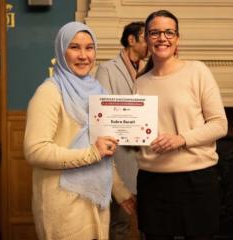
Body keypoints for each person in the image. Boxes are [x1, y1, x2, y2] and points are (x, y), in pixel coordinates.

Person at [23, 21, 135, 240]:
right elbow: (35, 151)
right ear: (61, 51)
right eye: (74, 47)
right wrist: (92, 153)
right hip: (63, 204)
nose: (83, 55)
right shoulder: (49, 93)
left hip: (95, 201)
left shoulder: (98, 93)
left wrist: (120, 193)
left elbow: (103, 153)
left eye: (89, 47)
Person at [134, 10, 228, 240]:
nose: (162, 38)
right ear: (146, 38)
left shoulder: (197, 71)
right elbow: (137, 133)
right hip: (152, 182)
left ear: (177, 38)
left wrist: (181, 139)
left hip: (196, 181)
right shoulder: (139, 83)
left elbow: (219, 125)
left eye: (169, 32)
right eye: (154, 33)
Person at [95, 21, 148, 240]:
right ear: (131, 40)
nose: (151, 43)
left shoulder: (149, 70)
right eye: (146, 38)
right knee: (120, 223)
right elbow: (102, 113)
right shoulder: (106, 69)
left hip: (145, 159)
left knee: (149, 222)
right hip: (118, 159)